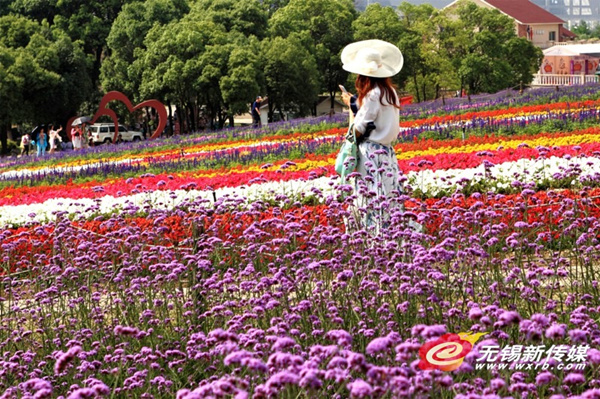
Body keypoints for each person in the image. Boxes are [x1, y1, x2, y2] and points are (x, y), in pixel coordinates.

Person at [340, 39, 420, 234]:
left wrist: (350, 118)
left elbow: (360, 126)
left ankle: (373, 238)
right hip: (387, 153)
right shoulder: (390, 92)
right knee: (389, 195)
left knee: (369, 197)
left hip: (370, 153)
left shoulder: (372, 95)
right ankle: (396, 235)